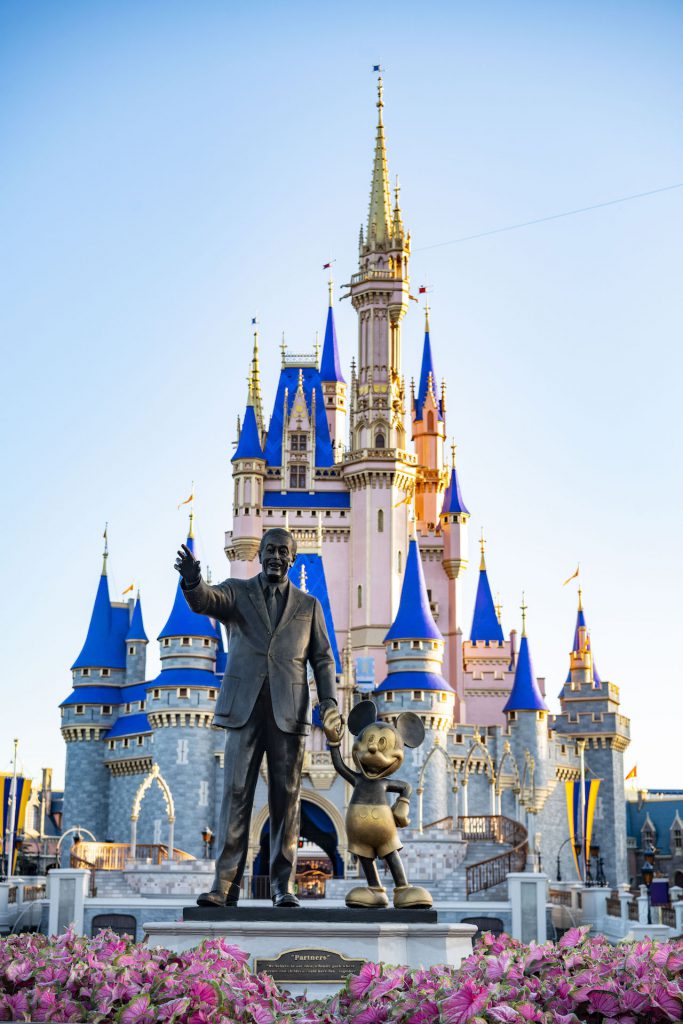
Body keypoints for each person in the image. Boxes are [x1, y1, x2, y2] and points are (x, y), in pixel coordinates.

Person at [175, 527, 344, 907]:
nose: (275, 556)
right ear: (260, 553)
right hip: (244, 708)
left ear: (292, 558)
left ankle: (284, 885)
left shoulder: (308, 605)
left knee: (287, 799)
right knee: (236, 793)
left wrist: (329, 702)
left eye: (283, 551)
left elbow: (323, 659)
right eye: (270, 549)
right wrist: (192, 580)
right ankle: (225, 884)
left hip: (290, 712)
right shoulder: (237, 591)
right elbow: (205, 601)